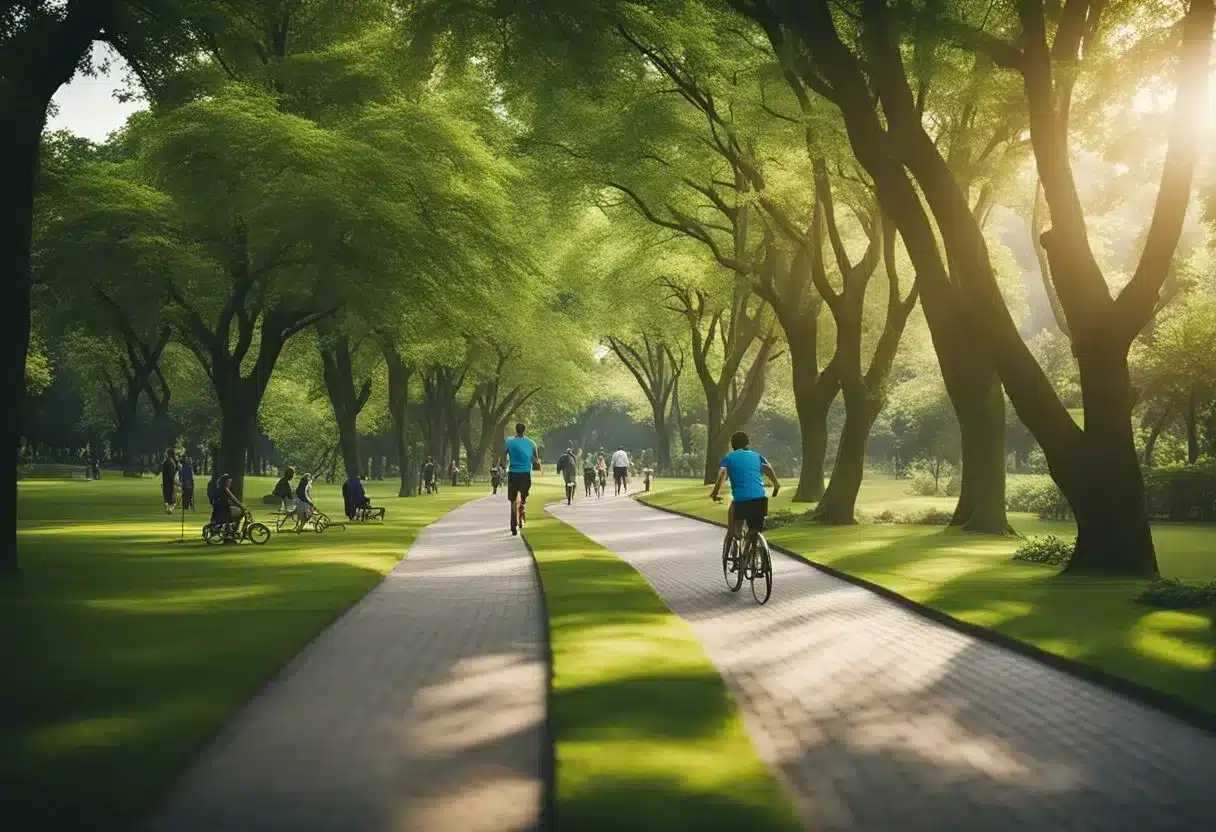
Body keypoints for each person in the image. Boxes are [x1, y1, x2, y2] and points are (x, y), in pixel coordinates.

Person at [710, 431, 781, 543]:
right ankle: (753, 552)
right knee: (755, 530)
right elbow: (767, 468)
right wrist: (776, 486)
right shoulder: (758, 456)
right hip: (760, 500)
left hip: (741, 501)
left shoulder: (729, 458)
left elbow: (722, 474)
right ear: (748, 444)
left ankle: (736, 538)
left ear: (732, 445)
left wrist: (714, 493)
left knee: (735, 531)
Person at [504, 422, 540, 536]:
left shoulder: (509, 442)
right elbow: (536, 460)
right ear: (524, 430)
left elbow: (503, 455)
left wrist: (503, 464)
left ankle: (513, 520)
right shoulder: (531, 443)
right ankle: (523, 503)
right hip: (525, 473)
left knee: (512, 498)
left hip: (513, 473)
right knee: (524, 492)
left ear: (516, 430)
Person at [161, 448, 178, 514]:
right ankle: (169, 508)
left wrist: (174, 481)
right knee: (170, 497)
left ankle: (169, 508)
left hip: (168, 482)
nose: (165, 454)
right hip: (168, 481)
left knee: (168, 497)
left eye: (166, 452)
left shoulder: (168, 462)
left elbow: (171, 473)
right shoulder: (172, 462)